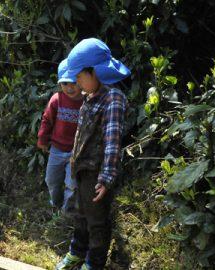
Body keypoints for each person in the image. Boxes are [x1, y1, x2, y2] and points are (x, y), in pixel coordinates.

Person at [55, 38, 130, 270]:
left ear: (94, 72)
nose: (76, 82)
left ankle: (94, 262)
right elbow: (81, 136)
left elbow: (112, 142)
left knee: (97, 220)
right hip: (81, 169)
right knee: (80, 214)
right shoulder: (90, 97)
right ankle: (77, 252)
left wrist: (106, 178)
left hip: (98, 174)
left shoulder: (113, 99)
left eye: (79, 76)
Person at [37, 59, 83, 216]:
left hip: (76, 152)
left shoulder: (87, 102)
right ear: (60, 85)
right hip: (56, 149)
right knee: (51, 180)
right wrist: (43, 139)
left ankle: (66, 212)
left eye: (73, 83)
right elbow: (47, 119)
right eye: (65, 84)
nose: (69, 88)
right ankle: (55, 204)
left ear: (81, 81)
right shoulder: (57, 99)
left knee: (72, 184)